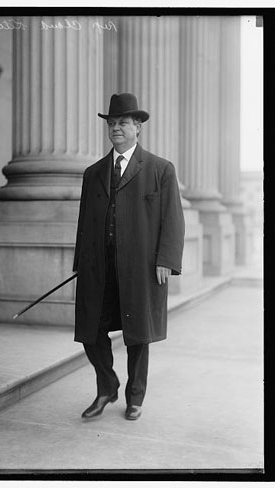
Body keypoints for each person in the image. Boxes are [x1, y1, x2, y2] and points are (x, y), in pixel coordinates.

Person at [73, 93, 185, 421]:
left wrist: (166, 259)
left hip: (140, 267)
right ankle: (107, 386)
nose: (115, 128)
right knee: (90, 330)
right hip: (99, 267)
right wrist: (80, 262)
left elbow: (173, 219)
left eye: (122, 122)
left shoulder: (160, 169)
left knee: (137, 333)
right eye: (111, 123)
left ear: (138, 128)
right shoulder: (93, 173)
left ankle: (135, 396)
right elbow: (84, 222)